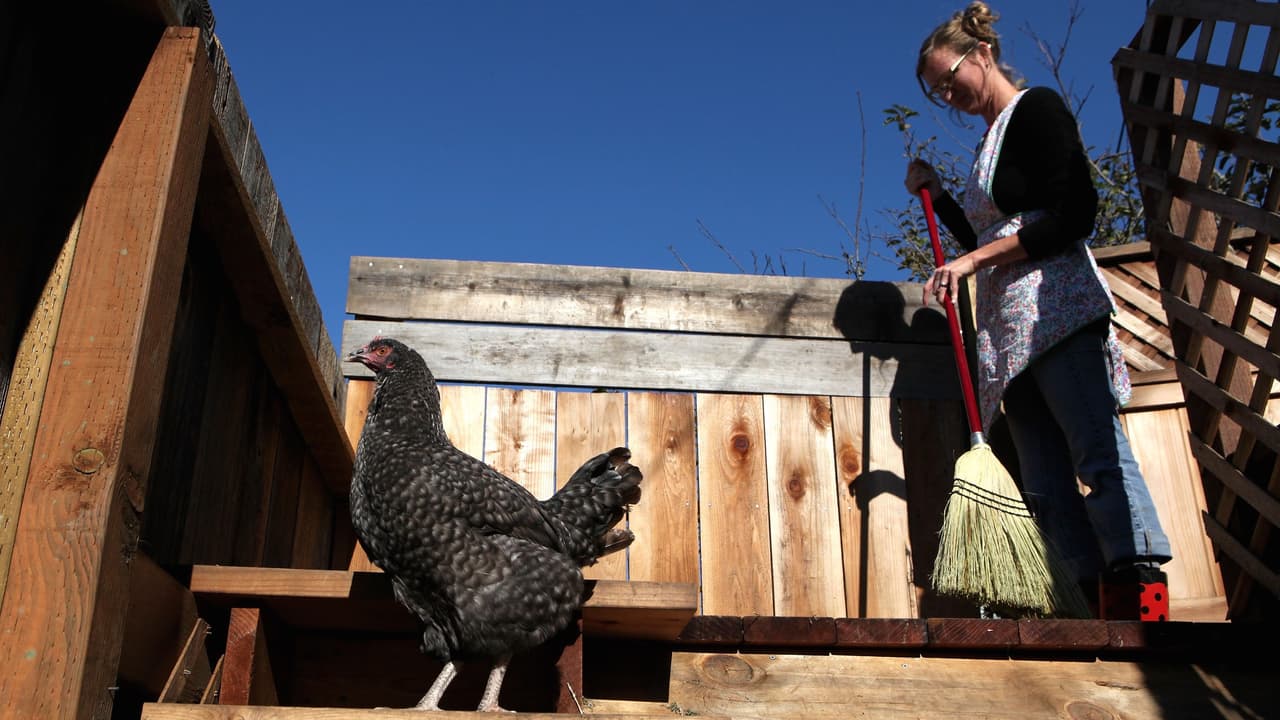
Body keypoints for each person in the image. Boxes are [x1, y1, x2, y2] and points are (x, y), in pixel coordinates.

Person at [903, 1, 1173, 619]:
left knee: (1094, 449)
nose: (949, 96)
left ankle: (1138, 590)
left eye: (951, 79)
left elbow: (1075, 213)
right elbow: (986, 246)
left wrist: (970, 263)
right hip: (1007, 331)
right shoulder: (986, 152)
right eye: (938, 91)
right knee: (1045, 479)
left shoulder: (1037, 109)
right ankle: (1076, 604)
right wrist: (943, 199)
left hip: (1057, 310)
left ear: (983, 54)